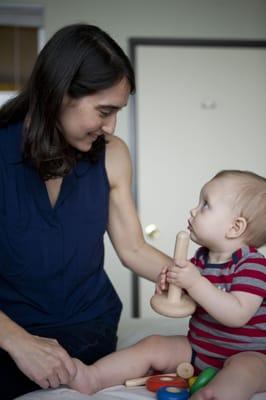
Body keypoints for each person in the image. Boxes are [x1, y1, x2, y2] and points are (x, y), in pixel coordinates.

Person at [0, 24, 172, 399]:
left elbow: (134, 249)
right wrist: (17, 341)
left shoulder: (112, 153)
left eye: (117, 113)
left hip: (89, 331)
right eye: (104, 111)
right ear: (60, 93)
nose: (111, 127)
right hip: (9, 332)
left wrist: (204, 284)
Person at [68, 170, 266, 400]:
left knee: (245, 371)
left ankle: (214, 395)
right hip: (199, 350)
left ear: (235, 227)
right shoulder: (201, 260)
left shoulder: (252, 264)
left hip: (249, 354)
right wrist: (171, 288)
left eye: (205, 205)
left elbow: (237, 314)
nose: (193, 210)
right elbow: (189, 301)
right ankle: (94, 377)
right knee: (154, 345)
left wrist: (194, 283)